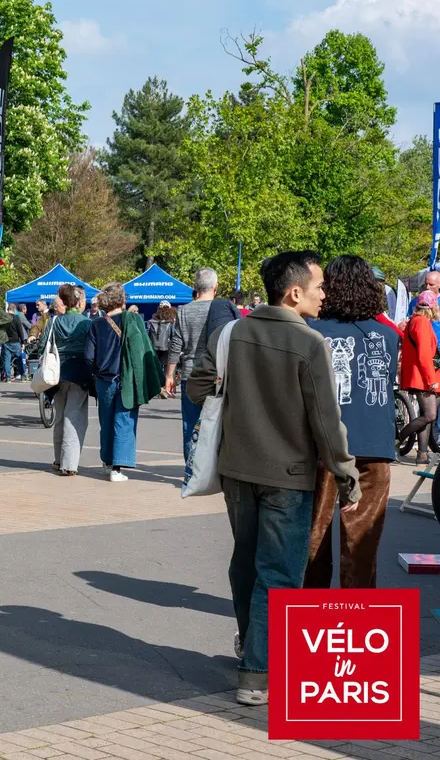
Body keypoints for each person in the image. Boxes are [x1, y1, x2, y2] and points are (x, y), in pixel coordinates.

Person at [188, 250, 360, 706]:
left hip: (237, 470)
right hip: (290, 473)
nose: (326, 295)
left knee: (245, 562)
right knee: (279, 573)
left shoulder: (231, 333)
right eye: (320, 286)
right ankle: (257, 673)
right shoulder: (310, 344)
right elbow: (327, 420)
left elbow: (196, 386)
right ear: (295, 292)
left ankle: (251, 646)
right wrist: (346, 473)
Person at [307, 256, 398, 589]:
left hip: (322, 445)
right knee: (362, 543)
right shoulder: (388, 335)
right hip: (374, 445)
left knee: (314, 537)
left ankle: (311, 617)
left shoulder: (311, 331)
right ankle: (357, 618)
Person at [86, 283, 159, 482]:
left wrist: (95, 374)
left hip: (104, 380)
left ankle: (107, 461)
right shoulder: (133, 320)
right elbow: (144, 351)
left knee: (106, 421)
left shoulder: (96, 324)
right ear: (123, 300)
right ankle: (117, 468)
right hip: (127, 380)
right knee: (124, 421)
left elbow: (88, 357)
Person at [165, 267, 223, 463]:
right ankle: (212, 469)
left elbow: (175, 345)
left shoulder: (183, 311)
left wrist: (169, 376)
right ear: (215, 287)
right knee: (216, 424)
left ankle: (191, 470)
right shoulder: (219, 311)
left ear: (195, 287)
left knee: (190, 424)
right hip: (216, 374)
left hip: (190, 374)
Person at [44, 284, 91, 476]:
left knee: (61, 416)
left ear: (62, 302)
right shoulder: (86, 323)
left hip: (57, 373)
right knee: (75, 417)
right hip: (80, 373)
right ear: (79, 301)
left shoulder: (54, 322)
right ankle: (69, 464)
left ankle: (58, 458)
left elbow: (43, 347)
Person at [397, 290, 440, 465]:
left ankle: (422, 454)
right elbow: (423, 355)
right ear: (432, 307)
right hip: (422, 378)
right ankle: (398, 439)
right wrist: (431, 380)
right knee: (430, 415)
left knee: (425, 414)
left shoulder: (414, 321)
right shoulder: (421, 323)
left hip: (417, 376)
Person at [148, 301, 176, 376]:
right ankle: (166, 385)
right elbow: (173, 336)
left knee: (156, 368)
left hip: (154, 348)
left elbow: (148, 336)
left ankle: (157, 385)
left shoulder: (152, 320)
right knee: (167, 369)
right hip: (167, 347)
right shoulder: (171, 321)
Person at [0, 304, 26, 384]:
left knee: (7, 360)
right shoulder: (16, 318)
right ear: (14, 310)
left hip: (6, 341)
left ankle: (8, 378)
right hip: (15, 341)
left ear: (8, 309)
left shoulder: (4, 318)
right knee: (19, 359)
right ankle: (23, 376)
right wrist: (22, 341)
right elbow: (20, 330)